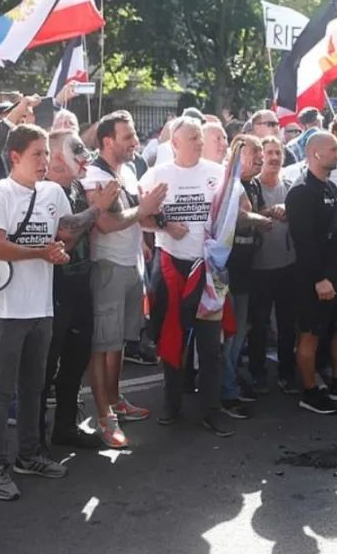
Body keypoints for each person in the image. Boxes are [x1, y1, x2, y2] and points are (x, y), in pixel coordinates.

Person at [0, 124, 100, 500]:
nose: (45, 161)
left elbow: (64, 234)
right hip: (7, 310)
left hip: (42, 308)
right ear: (15, 157)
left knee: (34, 387)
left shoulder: (53, 193)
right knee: (0, 391)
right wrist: (43, 253)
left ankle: (28, 455)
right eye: (37, 154)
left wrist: (92, 214)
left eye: (47, 154)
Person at [142, 116, 235, 437]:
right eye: (192, 138)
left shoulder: (216, 173)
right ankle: (171, 403)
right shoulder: (157, 174)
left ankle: (212, 409)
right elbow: (141, 218)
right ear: (175, 144)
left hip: (208, 269)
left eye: (200, 137)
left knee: (211, 344)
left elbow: (230, 215)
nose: (198, 142)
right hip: (172, 266)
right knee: (171, 337)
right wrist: (165, 225)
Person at [80, 111, 164, 448]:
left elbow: (132, 216)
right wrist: (144, 210)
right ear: (107, 141)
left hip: (131, 265)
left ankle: (116, 401)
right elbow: (106, 224)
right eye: (128, 137)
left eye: (134, 136)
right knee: (102, 345)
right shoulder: (92, 176)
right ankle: (105, 417)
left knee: (120, 343)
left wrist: (149, 229)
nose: (135, 143)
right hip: (107, 267)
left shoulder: (129, 169)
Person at [41, 129, 113, 450]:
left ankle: (65, 427)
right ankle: (35, 438)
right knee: (48, 362)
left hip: (80, 283)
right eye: (78, 151)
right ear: (59, 156)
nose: (85, 157)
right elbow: (65, 236)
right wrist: (99, 208)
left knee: (76, 357)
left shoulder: (77, 187)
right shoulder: (46, 190)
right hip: (54, 286)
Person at [285, 131, 337, 416]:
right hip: (311, 277)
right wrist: (319, 279)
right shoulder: (301, 191)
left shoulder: (329, 187)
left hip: (335, 271)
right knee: (310, 334)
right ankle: (309, 391)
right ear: (316, 153)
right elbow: (304, 242)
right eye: (333, 149)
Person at [220, 135, 271, 414]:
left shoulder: (253, 184)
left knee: (239, 332)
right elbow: (239, 216)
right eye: (255, 152)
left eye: (262, 152)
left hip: (246, 270)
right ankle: (227, 392)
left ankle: (231, 381)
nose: (261, 158)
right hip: (226, 271)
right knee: (228, 334)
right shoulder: (228, 183)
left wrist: (268, 212)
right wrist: (259, 219)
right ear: (238, 154)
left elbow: (253, 213)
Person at [248, 136, 298, 394]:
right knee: (258, 324)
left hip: (287, 266)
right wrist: (267, 213)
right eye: (269, 153)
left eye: (278, 153)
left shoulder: (290, 186)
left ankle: (286, 372)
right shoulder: (251, 187)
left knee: (287, 323)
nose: (275, 158)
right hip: (258, 268)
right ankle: (257, 372)